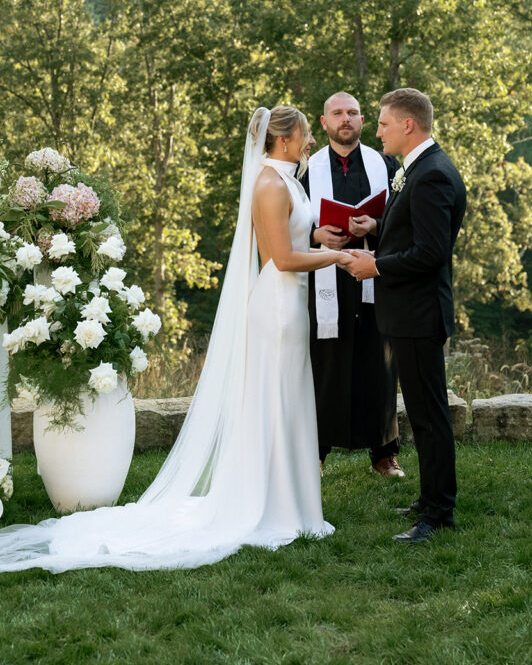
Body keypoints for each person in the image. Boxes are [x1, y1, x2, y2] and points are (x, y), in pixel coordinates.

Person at [0, 106, 350, 573]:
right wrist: (335, 258)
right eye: (306, 134)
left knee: (287, 401)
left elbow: (291, 237)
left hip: (292, 306)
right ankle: (272, 507)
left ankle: (292, 503)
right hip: (278, 308)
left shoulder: (287, 179)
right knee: (274, 402)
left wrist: (319, 237)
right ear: (283, 140)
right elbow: (281, 260)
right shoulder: (268, 183)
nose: (310, 142)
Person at [345, 88, 466, 544]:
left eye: (382, 124)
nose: (376, 131)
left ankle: (438, 515)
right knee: (421, 414)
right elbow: (414, 229)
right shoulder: (417, 169)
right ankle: (430, 497)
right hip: (408, 313)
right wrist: (378, 228)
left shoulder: (432, 175)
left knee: (430, 417)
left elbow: (432, 252)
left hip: (419, 314)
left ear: (408, 125)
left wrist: (374, 264)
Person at [301, 92, 402, 477]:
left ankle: (383, 452)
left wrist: (375, 226)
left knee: (379, 363)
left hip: (373, 274)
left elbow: (402, 222)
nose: (346, 119)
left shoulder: (387, 166)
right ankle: (316, 451)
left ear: (363, 122)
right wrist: (315, 235)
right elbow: (287, 225)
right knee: (323, 365)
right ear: (324, 123)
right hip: (323, 282)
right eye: (338, 113)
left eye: (354, 113)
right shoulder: (306, 171)